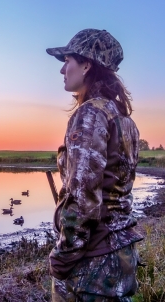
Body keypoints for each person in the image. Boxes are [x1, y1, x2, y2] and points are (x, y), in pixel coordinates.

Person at [46, 29, 143, 301]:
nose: (63, 69)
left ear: (87, 64)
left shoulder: (89, 115)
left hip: (93, 263)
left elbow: (82, 195)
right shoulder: (123, 119)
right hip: (121, 254)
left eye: (68, 61)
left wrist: (64, 256)